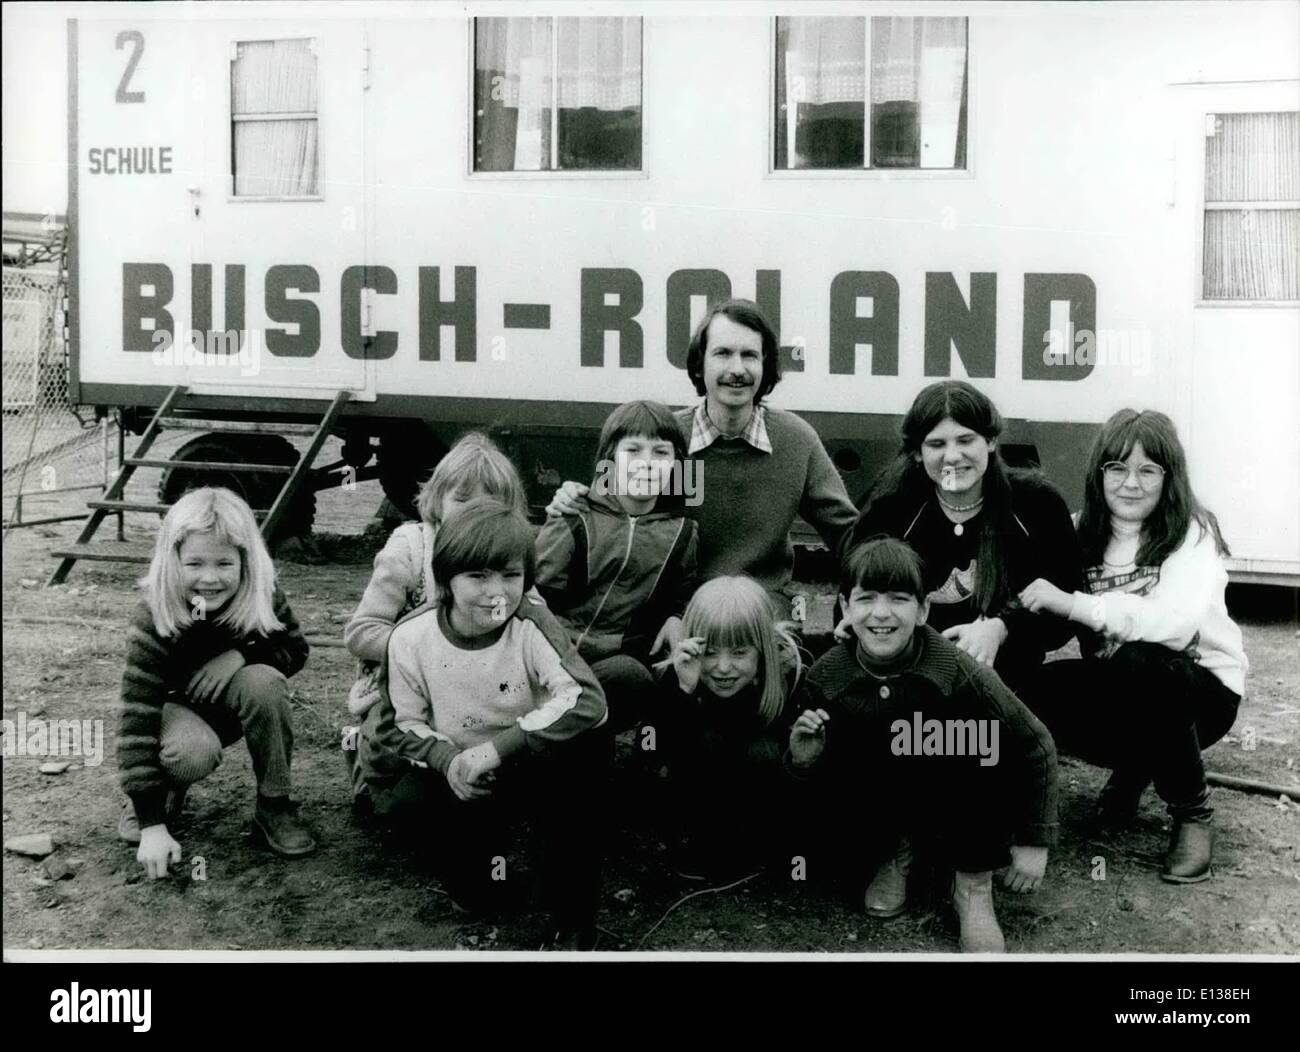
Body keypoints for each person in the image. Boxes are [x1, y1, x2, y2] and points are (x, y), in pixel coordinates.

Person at [354, 499, 609, 949]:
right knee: (474, 888)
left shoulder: (531, 623)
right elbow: (398, 723)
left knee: (582, 762)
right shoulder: (410, 638)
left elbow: (586, 699)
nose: (496, 593)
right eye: (478, 576)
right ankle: (482, 860)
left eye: (511, 576)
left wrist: (502, 747)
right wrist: (448, 761)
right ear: (446, 580)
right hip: (458, 769)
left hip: (523, 756)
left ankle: (574, 917)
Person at [787, 537, 1059, 953]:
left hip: (957, 793)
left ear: (923, 610)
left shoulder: (957, 668)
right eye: (866, 599)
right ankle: (897, 851)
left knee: (979, 741)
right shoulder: (825, 677)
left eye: (898, 599)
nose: (881, 613)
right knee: (845, 752)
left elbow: (1035, 742)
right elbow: (812, 782)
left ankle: (972, 885)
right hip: (886, 799)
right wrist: (803, 761)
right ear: (845, 607)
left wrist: (1036, 839)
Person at [1018, 409, 1246, 884]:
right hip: (1122, 690)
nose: (1131, 483)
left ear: (1169, 477)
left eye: (1148, 470)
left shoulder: (1191, 532)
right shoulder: (1079, 531)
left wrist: (1076, 603)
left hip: (1202, 696)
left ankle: (1191, 813)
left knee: (1141, 660)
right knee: (1024, 687)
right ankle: (1130, 769)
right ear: (1099, 473)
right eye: (1117, 468)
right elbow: (1030, 595)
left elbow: (1176, 624)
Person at [547, 298, 857, 616]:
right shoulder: (665, 440)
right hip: (676, 607)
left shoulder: (795, 439)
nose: (737, 369)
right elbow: (603, 509)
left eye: (749, 355)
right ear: (700, 363)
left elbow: (849, 534)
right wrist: (572, 498)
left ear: (765, 365)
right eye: (723, 353)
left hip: (762, 607)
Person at [117, 487, 315, 878]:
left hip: (227, 704)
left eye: (224, 563)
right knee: (193, 752)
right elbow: (135, 715)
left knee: (266, 682)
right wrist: (151, 824)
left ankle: (274, 805)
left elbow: (296, 649)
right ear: (173, 559)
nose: (209, 578)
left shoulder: (262, 594)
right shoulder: (154, 615)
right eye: (194, 563)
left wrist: (241, 656)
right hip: (174, 714)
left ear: (246, 559)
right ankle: (163, 794)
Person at [847, 380, 1081, 699]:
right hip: (910, 678)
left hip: (1009, 682)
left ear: (991, 441)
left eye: (966, 440)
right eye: (937, 444)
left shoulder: (1037, 503)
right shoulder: (890, 509)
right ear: (917, 452)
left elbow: (1065, 607)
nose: (952, 456)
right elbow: (852, 603)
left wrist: (1000, 629)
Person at [535, 399, 698, 733]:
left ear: (677, 464)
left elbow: (684, 591)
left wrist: (676, 617)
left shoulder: (681, 531)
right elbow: (535, 593)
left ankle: (638, 754)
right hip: (551, 654)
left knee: (637, 680)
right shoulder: (575, 516)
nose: (647, 464)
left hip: (613, 660)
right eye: (633, 450)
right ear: (610, 457)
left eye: (661, 453)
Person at [343, 431, 528, 715]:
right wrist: (432, 650)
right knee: (392, 735)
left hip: (486, 682)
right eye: (463, 501)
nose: (474, 514)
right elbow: (362, 632)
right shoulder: (410, 549)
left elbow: (534, 619)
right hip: (409, 681)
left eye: (490, 504)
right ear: (437, 500)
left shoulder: (512, 556)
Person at [655, 575, 804, 882]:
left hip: (757, 791)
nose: (723, 667)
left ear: (761, 649)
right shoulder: (678, 675)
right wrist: (684, 690)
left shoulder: (787, 678)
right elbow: (657, 750)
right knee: (704, 743)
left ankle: (754, 847)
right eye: (710, 652)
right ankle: (699, 844)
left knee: (759, 752)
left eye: (739, 653)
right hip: (699, 788)